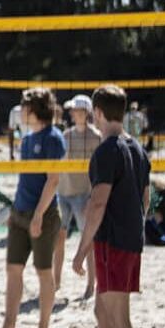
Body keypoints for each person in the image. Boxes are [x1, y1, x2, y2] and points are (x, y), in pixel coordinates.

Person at [72, 85, 151, 328]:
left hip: (113, 243)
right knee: (101, 311)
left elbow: (97, 205)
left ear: (97, 112)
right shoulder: (138, 149)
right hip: (130, 239)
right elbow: (145, 200)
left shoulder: (107, 151)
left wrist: (81, 250)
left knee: (119, 320)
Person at [0, 87, 63, 328]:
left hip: (42, 215)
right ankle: (8, 326)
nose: (20, 112)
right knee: (13, 269)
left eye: (24, 108)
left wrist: (38, 215)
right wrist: (15, 212)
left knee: (43, 272)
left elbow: (53, 180)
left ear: (33, 110)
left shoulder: (53, 138)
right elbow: (26, 181)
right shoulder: (26, 140)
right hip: (20, 212)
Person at [53, 94, 101, 298]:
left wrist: (93, 196)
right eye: (72, 110)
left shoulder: (97, 137)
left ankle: (91, 285)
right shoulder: (65, 135)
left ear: (86, 112)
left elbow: (99, 170)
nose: (72, 113)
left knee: (87, 239)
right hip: (63, 192)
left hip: (83, 194)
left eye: (76, 110)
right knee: (59, 238)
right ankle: (56, 284)